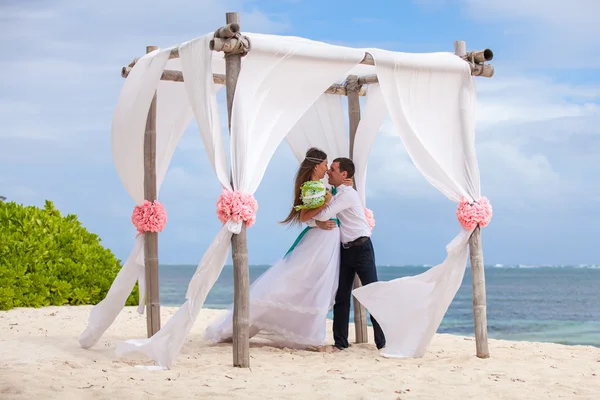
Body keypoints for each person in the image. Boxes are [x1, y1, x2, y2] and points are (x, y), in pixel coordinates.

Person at [204, 148, 342, 348]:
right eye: (325, 164)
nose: (326, 169)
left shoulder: (319, 186)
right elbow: (305, 216)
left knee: (315, 284)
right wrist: (324, 209)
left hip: (327, 241)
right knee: (304, 282)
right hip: (319, 243)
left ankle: (310, 334)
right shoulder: (311, 187)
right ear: (316, 165)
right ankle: (311, 336)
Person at [301, 157, 386, 351]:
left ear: (344, 174)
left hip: (362, 248)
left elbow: (323, 214)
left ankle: (383, 343)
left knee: (372, 295)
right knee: (341, 296)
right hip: (346, 249)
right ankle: (340, 343)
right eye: (328, 168)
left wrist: (325, 204)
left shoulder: (347, 194)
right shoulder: (338, 192)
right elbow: (319, 215)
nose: (328, 172)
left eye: (332, 169)